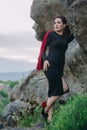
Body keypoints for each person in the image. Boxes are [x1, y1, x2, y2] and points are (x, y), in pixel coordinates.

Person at [37, 15, 74, 122]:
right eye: (55, 23)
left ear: (64, 25)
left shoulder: (66, 38)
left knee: (53, 92)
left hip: (59, 68)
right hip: (49, 66)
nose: (56, 25)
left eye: (58, 22)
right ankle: (45, 110)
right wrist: (45, 60)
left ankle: (49, 120)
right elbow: (43, 49)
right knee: (64, 88)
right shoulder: (51, 34)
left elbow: (76, 32)